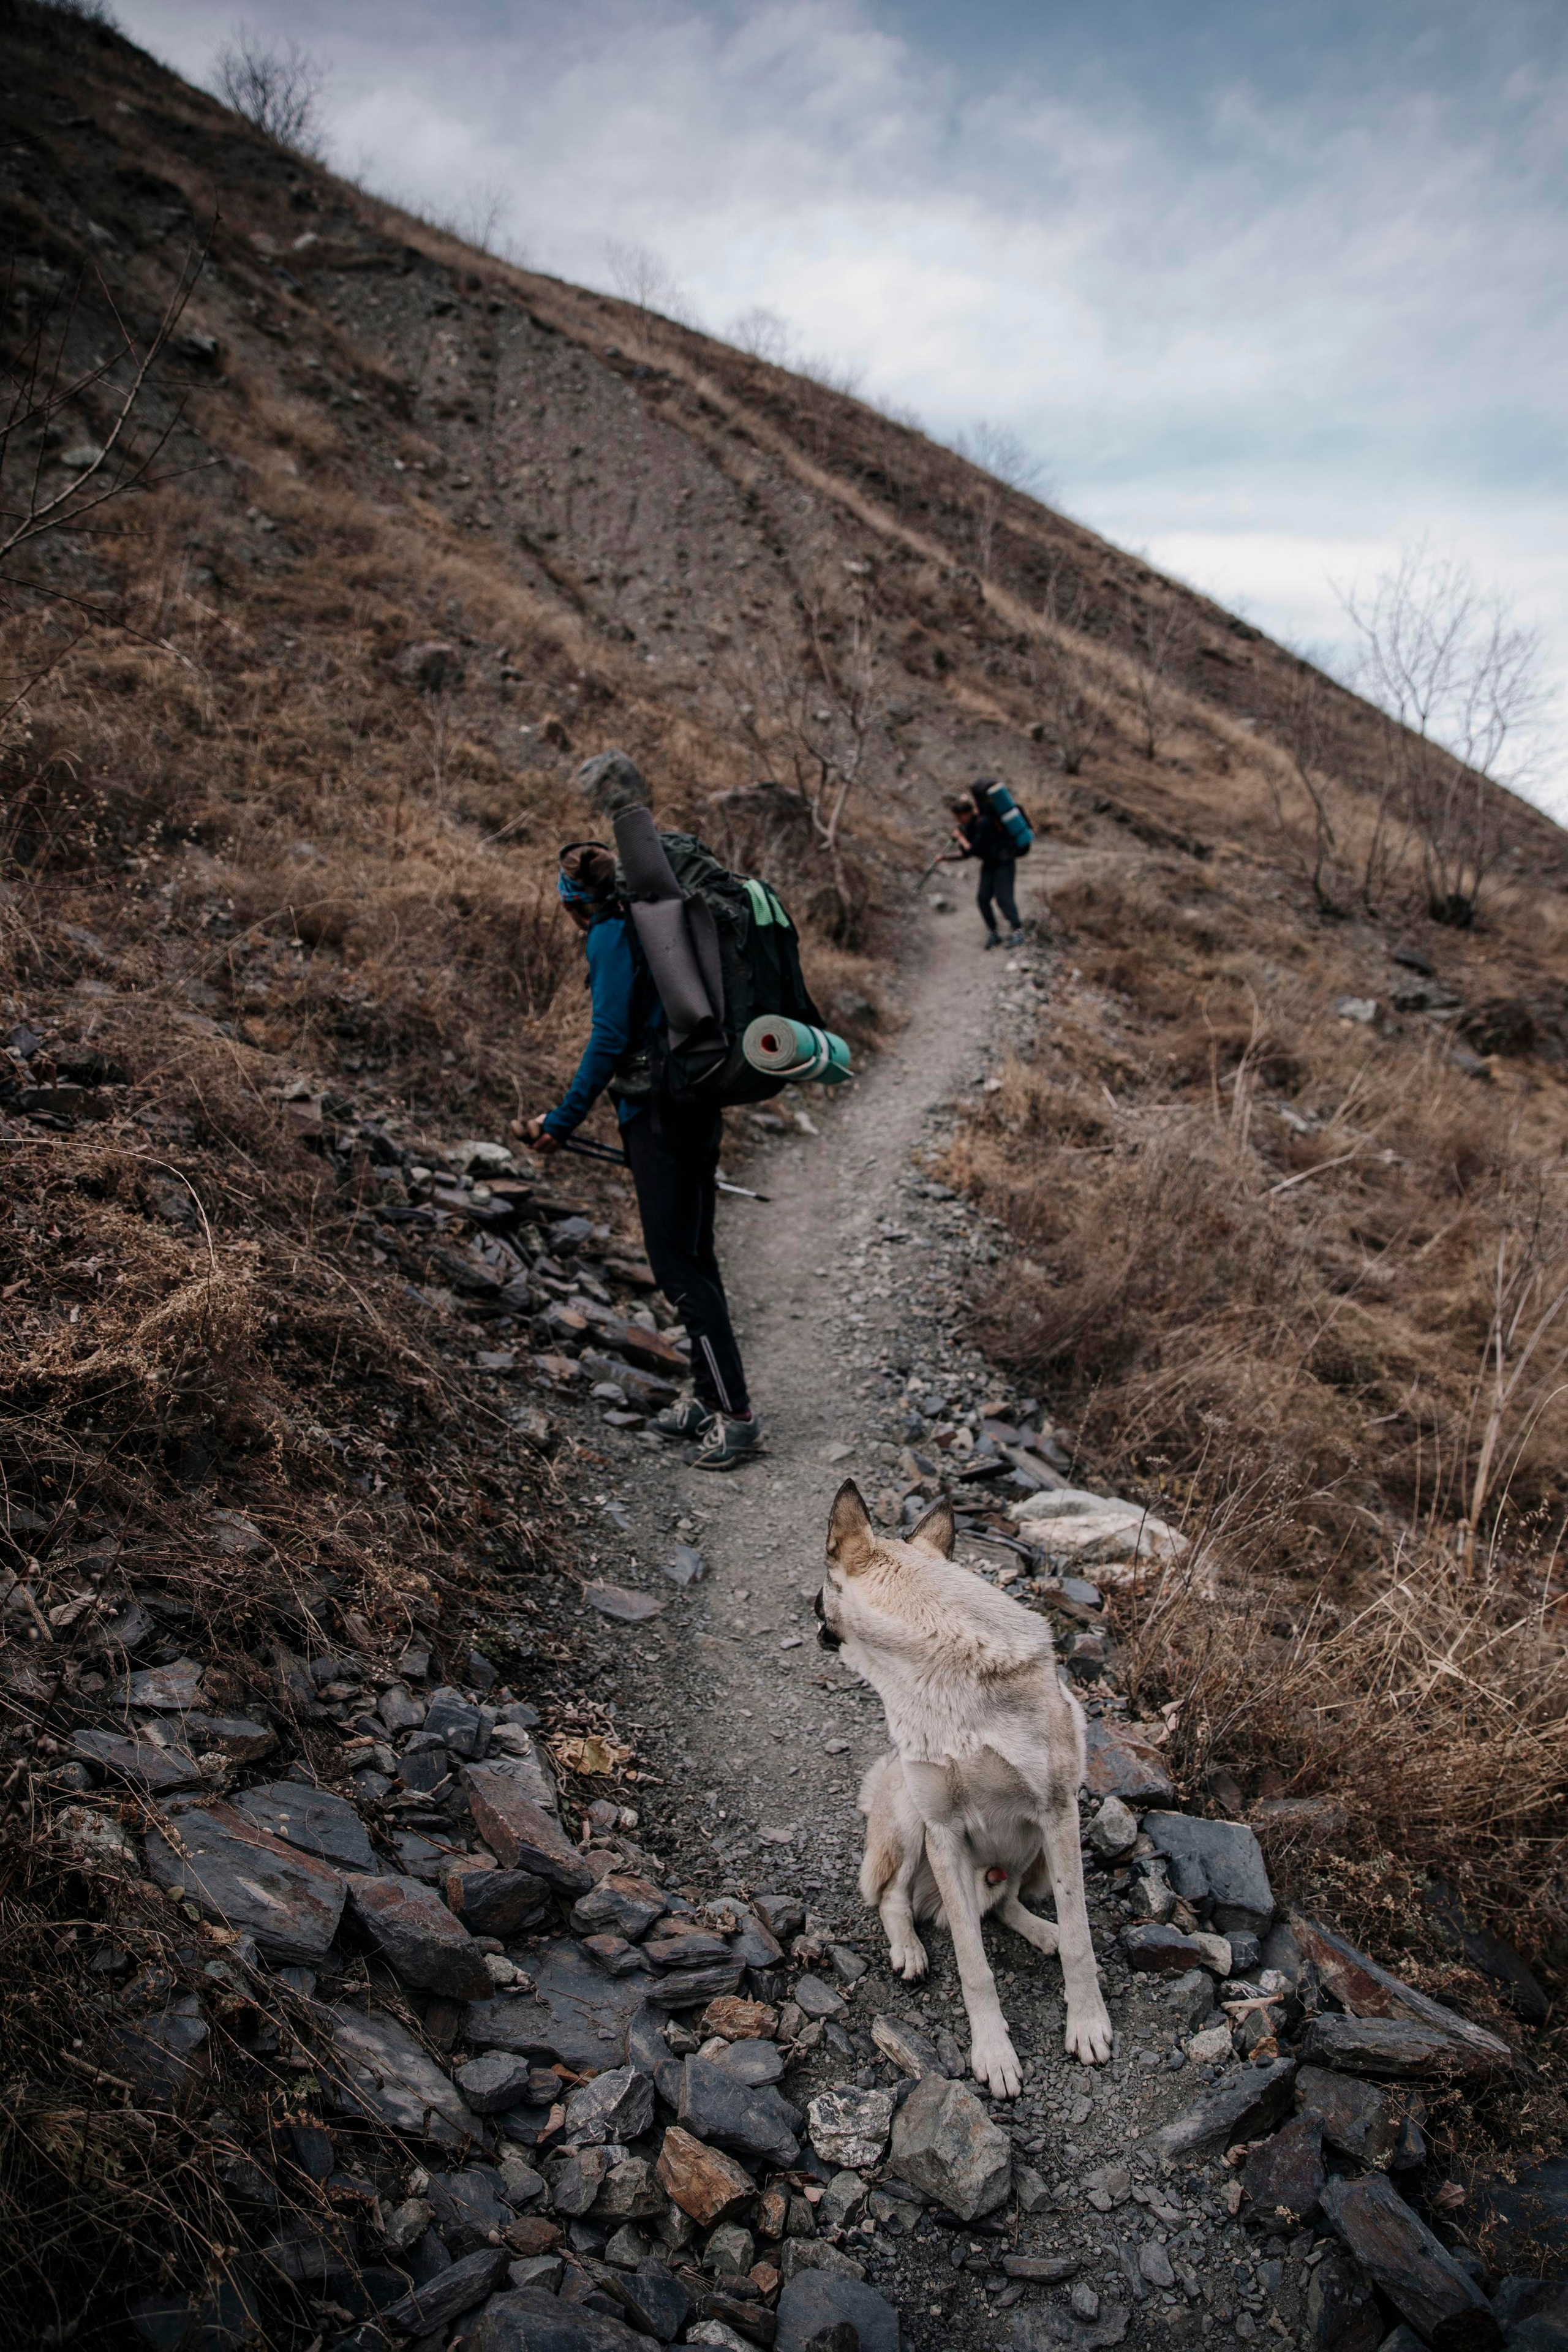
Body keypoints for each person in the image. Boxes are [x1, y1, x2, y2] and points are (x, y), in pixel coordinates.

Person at [523, 841, 761, 1471]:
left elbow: (608, 1037)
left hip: (659, 1116)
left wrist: (562, 1120)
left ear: (571, 900)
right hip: (692, 1102)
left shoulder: (608, 935)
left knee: (678, 1269)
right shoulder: (654, 923)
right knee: (695, 1257)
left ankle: (735, 1418)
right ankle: (712, 1400)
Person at [943, 784, 1025, 950]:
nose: (958, 821)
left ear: (966, 814)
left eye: (959, 817)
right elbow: (967, 853)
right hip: (990, 863)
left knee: (1004, 898)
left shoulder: (984, 823)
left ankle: (1018, 930)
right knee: (982, 898)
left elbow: (973, 850)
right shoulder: (969, 827)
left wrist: (960, 838)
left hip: (1004, 862)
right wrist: (945, 857)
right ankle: (994, 932)